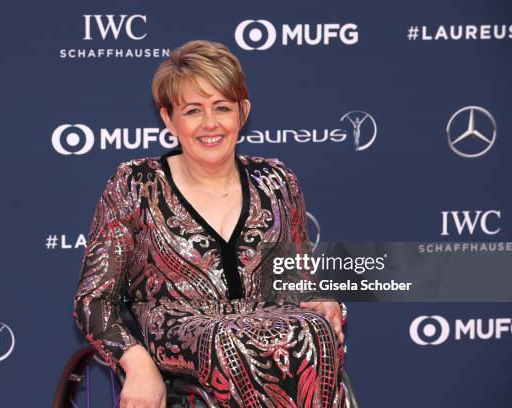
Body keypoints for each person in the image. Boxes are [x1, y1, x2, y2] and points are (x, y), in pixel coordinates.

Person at [73, 40, 346, 408]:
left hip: (265, 332)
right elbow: (93, 301)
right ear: (169, 118)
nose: (210, 124)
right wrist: (137, 364)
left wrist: (319, 302)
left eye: (222, 107)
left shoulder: (277, 181)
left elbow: (295, 280)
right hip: (181, 333)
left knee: (313, 331)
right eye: (193, 111)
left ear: (242, 112)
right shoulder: (136, 185)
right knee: (228, 337)